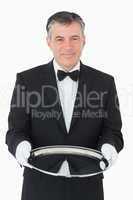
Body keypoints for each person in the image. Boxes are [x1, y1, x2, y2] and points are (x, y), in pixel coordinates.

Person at [6, 11, 124, 200]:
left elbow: (113, 131)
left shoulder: (105, 82)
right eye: (60, 39)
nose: (68, 46)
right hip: (39, 185)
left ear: (84, 40)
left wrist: (109, 146)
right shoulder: (27, 80)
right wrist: (21, 146)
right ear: (49, 42)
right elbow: (15, 131)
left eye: (74, 38)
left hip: (88, 186)